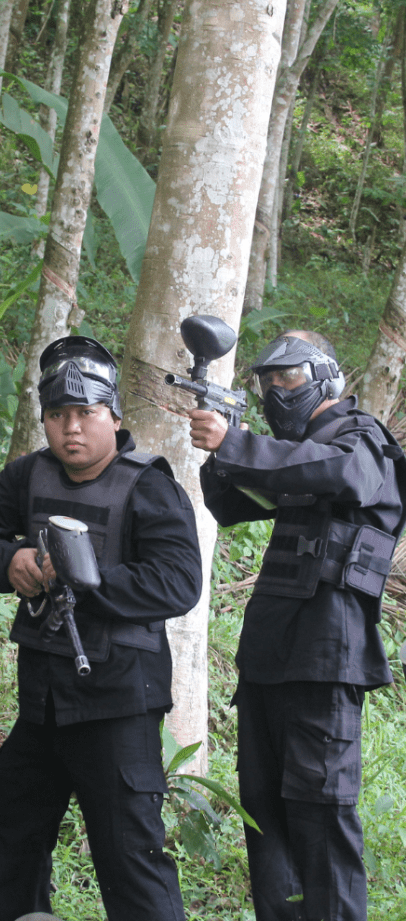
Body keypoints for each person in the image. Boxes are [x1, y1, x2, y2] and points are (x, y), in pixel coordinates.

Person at [0, 336, 201, 921]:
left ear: (114, 417)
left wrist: (82, 580)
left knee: (131, 858)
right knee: (15, 833)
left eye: (86, 414)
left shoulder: (149, 485)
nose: (71, 429)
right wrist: (10, 558)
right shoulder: (29, 476)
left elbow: (177, 583)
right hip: (41, 704)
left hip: (118, 704)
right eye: (58, 415)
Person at [187, 330, 404, 921]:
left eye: (291, 378)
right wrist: (221, 451)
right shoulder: (295, 456)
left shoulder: (361, 442)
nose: (279, 392)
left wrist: (239, 441)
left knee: (321, 814)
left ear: (327, 376)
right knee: (266, 813)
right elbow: (232, 506)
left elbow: (345, 476)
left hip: (327, 659)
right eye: (269, 384)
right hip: (269, 658)